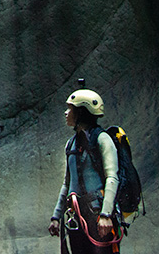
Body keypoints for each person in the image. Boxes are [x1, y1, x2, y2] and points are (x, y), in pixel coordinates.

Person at [48, 83, 121, 253]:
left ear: (81, 112)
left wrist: (106, 215)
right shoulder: (71, 144)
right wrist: (56, 216)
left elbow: (112, 177)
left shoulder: (102, 139)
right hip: (76, 218)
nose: (66, 113)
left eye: (70, 109)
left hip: (99, 216)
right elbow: (67, 183)